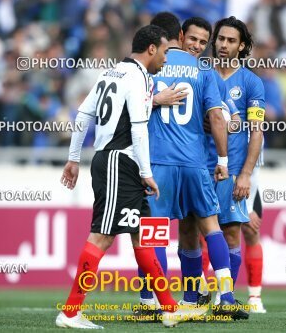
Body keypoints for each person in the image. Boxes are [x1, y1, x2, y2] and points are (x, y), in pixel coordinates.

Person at [56, 24, 205, 330]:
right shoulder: (138, 78)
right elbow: (137, 127)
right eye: (164, 51)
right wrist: (147, 174)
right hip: (118, 162)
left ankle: (168, 307)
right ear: (151, 49)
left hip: (117, 162)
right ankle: (70, 312)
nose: (166, 58)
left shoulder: (111, 72)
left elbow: (83, 114)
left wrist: (73, 158)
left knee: (144, 236)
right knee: (102, 236)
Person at [136, 12, 249, 321]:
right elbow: (220, 118)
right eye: (194, 39)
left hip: (158, 161)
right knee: (210, 227)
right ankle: (225, 296)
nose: (199, 46)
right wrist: (224, 161)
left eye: (204, 41)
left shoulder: (149, 67)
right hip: (195, 162)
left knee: (154, 233)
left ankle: (151, 302)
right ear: (181, 37)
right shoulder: (205, 71)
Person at [208, 16, 267, 313]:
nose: (224, 45)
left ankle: (226, 298)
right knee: (194, 232)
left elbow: (256, 131)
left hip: (232, 172)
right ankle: (194, 296)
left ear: (241, 46)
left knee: (233, 232)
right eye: (220, 39)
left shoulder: (251, 82)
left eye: (231, 41)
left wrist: (245, 174)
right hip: (200, 166)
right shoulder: (201, 74)